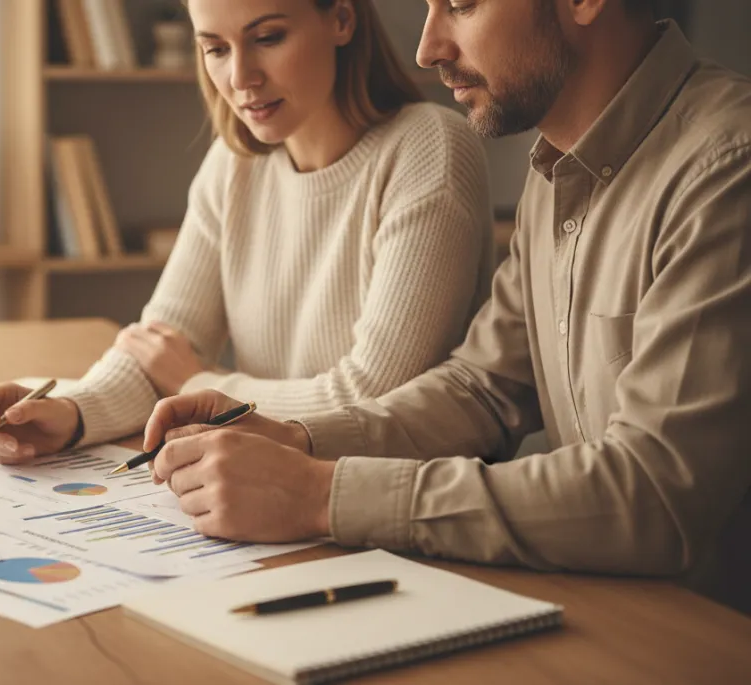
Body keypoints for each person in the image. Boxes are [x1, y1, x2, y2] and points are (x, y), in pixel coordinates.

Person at [140, 0, 751, 612]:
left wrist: (321, 494)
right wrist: (296, 439)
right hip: (608, 610)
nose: (428, 49)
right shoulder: (558, 169)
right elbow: (481, 389)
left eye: (461, 5)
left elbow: (654, 495)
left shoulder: (727, 168)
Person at [0, 0, 494, 462]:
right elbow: (162, 344)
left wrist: (200, 385)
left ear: (340, 19)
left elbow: (376, 397)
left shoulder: (429, 147)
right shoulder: (234, 162)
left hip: (396, 504)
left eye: (267, 38)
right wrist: (70, 412)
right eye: (215, 48)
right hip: (272, 479)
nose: (242, 78)